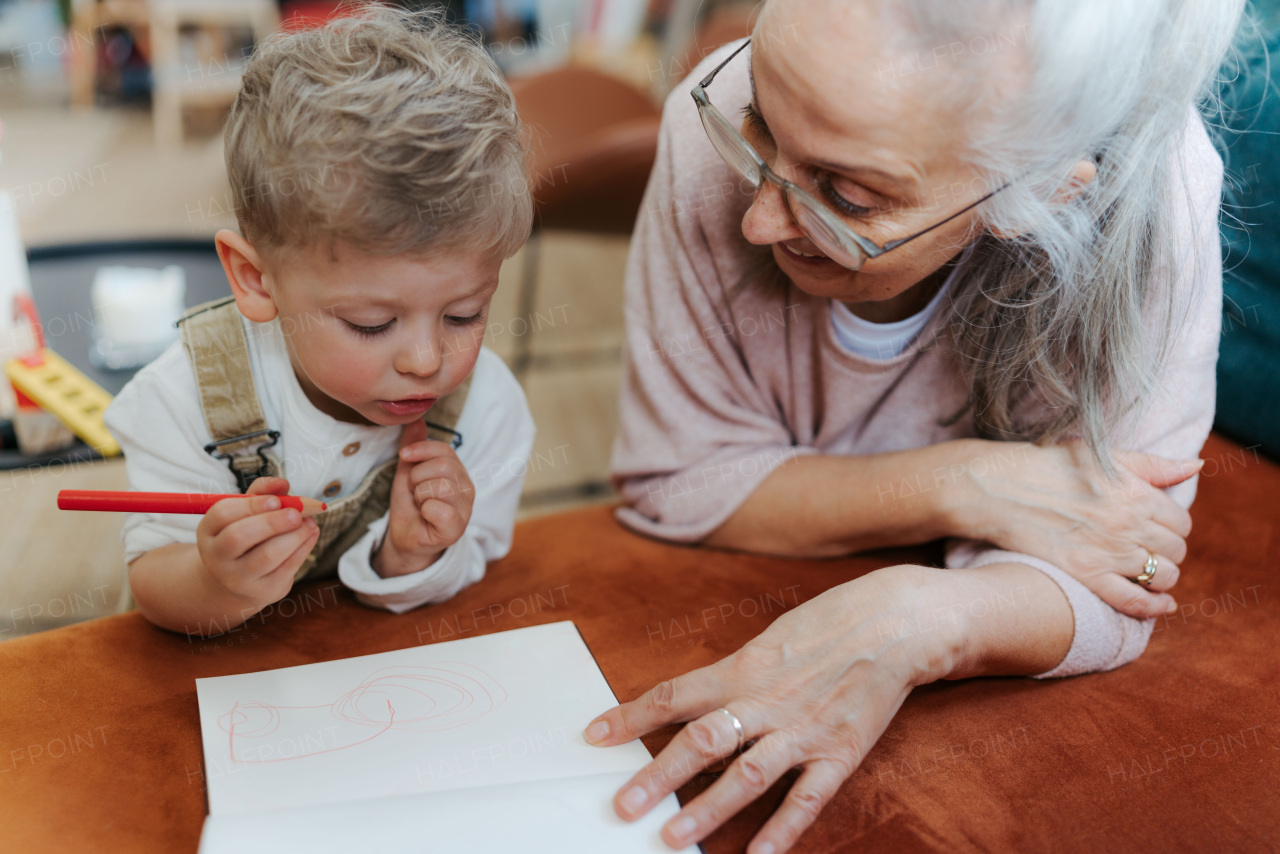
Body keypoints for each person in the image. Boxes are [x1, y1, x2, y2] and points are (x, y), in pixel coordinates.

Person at [586, 1, 1243, 851]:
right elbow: (676, 480)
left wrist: (912, 622)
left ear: (1039, 191)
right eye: (757, 125)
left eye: (849, 197)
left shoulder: (1159, 199)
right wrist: (967, 483)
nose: (758, 221)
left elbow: (1120, 571)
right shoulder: (712, 110)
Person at [103, 5, 535, 635]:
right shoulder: (187, 398)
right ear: (256, 279)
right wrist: (213, 581)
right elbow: (152, 580)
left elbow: (476, 562)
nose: (426, 360)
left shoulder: (486, 409)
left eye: (465, 313)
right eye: (369, 323)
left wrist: (413, 555)